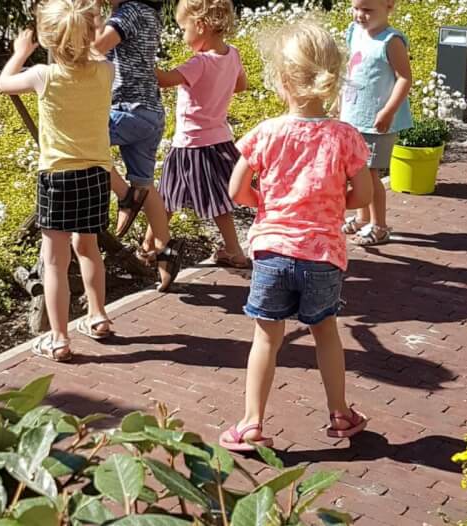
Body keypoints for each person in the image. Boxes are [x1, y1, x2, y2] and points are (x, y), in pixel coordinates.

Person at [221, 20, 373, 451]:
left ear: (282, 80)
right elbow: (362, 194)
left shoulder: (267, 133)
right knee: (326, 331)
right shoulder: (345, 136)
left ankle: (251, 423)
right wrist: (326, 205)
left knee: (266, 336)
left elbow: (237, 191)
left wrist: (268, 205)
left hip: (273, 250)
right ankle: (341, 414)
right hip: (323, 254)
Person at [0, 0, 115, 361]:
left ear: (48, 39)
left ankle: (59, 338)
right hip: (97, 175)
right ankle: (97, 317)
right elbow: (91, 54)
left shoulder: (42, 76)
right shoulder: (106, 71)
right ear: (92, 33)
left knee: (54, 260)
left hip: (57, 176)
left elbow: (4, 83)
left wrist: (20, 52)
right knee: (89, 248)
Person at [142, 0, 249, 268]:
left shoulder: (199, 62)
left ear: (200, 26)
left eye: (183, 28)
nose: (182, 34)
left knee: (166, 198)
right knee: (219, 201)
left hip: (189, 144)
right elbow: (241, 85)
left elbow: (164, 80)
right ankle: (234, 250)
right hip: (220, 141)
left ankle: (147, 247)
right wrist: (217, 89)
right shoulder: (232, 54)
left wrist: (140, 59)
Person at [94, 0, 185, 291]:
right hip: (151, 113)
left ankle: (124, 196)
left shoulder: (128, 13)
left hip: (128, 109)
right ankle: (165, 250)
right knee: (145, 185)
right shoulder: (150, 14)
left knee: (81, 145)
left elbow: (97, 47)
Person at [340, 0, 413, 246]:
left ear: (389, 6)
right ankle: (362, 218)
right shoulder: (355, 32)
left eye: (368, 10)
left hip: (376, 122)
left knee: (371, 174)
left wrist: (388, 111)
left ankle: (380, 226)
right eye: (356, 8)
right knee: (355, 171)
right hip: (353, 117)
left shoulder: (391, 41)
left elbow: (404, 78)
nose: (360, 15)